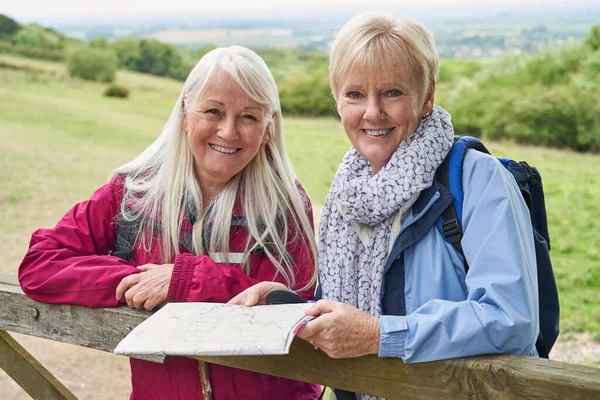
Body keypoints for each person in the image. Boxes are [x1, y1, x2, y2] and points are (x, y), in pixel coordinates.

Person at [231, 12, 540, 398]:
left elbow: (510, 319)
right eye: (355, 94)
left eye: (392, 93)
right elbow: (352, 311)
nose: (373, 112)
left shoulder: (477, 179)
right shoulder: (350, 194)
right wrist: (290, 304)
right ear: (338, 101)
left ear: (427, 97)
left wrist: (380, 336)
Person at [18, 46, 321, 400]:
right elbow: (41, 263)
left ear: (269, 127)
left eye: (249, 117)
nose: (228, 131)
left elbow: (291, 310)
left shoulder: (284, 205)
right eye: (213, 111)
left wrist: (185, 280)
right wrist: (137, 280)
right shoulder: (133, 193)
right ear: (184, 113)